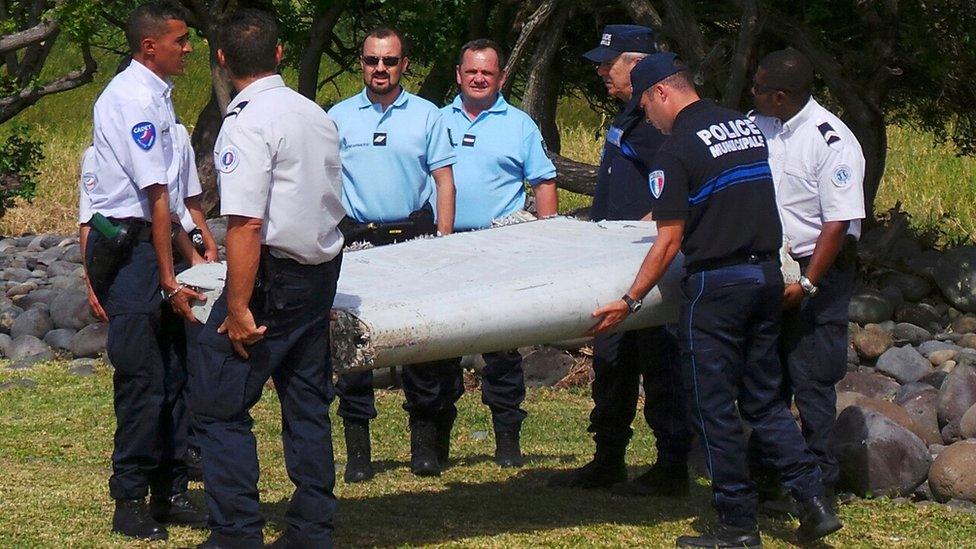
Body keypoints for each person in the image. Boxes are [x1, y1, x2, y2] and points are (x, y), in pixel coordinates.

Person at [590, 53, 842, 547]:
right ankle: (813, 502)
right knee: (765, 399)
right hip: (766, 277)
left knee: (714, 409)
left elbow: (667, 242)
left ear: (661, 92)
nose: (649, 120)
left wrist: (630, 299)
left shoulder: (677, 148)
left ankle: (736, 525)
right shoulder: (744, 127)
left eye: (645, 107)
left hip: (716, 288)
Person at [190, 9, 346, 548]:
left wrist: (237, 307)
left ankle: (235, 531)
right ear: (280, 54)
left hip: (273, 278)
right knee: (305, 398)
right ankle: (312, 526)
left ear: (223, 59)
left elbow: (246, 223)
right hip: (320, 269)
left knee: (217, 400)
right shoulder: (315, 114)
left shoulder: (246, 121)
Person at [547, 25, 692, 496]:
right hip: (612, 266)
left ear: (638, 64)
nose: (600, 72)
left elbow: (675, 191)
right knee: (612, 365)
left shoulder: (656, 124)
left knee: (660, 365)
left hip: (645, 266)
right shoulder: (630, 117)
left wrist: (643, 234)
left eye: (609, 64)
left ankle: (671, 466)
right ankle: (608, 457)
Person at [86, 2, 208, 540]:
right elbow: (154, 198)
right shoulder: (132, 99)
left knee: (177, 371)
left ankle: (171, 488)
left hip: (158, 243)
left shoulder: (161, 100)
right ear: (149, 46)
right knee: (142, 375)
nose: (189, 48)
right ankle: (129, 496)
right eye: (180, 40)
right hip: (132, 249)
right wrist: (166, 278)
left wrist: (197, 258)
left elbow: (177, 205)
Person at [328, 27, 461, 481]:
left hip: (415, 239)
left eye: (389, 61)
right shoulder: (338, 116)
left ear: (404, 64)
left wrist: (444, 239)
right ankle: (359, 453)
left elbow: (444, 180)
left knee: (419, 345)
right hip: (357, 240)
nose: (379, 69)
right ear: (361, 63)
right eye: (371, 61)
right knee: (353, 347)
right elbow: (325, 183)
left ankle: (423, 447)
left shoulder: (428, 116)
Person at [748, 48, 865, 508]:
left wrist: (809, 284)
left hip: (817, 270)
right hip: (769, 265)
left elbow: (837, 224)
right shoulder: (760, 127)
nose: (750, 94)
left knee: (812, 381)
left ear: (781, 95)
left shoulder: (831, 139)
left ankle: (819, 485)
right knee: (765, 375)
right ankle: (766, 474)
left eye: (757, 88)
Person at [438, 38, 558, 467]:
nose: (478, 78)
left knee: (503, 353)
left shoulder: (520, 125)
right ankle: (435, 444)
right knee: (439, 347)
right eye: (471, 70)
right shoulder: (436, 120)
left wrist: (546, 243)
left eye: (487, 72)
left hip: (499, 248)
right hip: (444, 247)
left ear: (501, 77)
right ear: (459, 73)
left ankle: (507, 440)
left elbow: (543, 183)